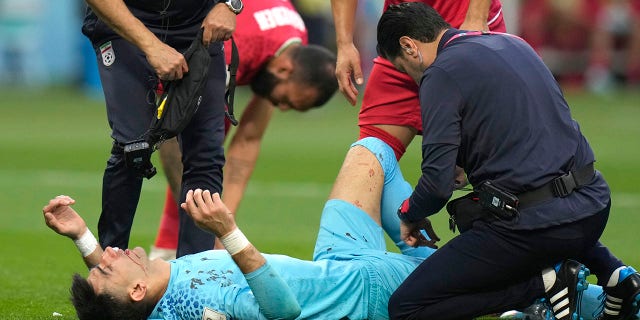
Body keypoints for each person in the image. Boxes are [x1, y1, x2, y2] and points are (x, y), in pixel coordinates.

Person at [42, 138, 638, 320]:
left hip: (339, 257)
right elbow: (282, 311)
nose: (108, 254)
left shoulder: (150, 293)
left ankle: (420, 233)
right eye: (107, 265)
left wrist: (79, 237)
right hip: (368, 291)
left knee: (371, 153)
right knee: (534, 263)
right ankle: (594, 295)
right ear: (138, 290)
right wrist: (228, 231)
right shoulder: (200, 309)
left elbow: (110, 282)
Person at [376, 3, 640, 320]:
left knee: (406, 307)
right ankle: (614, 273)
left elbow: (436, 185)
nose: (413, 79)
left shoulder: (440, 74)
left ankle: (543, 286)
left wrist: (409, 213)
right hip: (593, 206)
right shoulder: (515, 43)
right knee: (498, 203)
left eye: (404, 69)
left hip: (534, 229)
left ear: (409, 46)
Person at [149, 0, 338, 259]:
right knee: (196, 157)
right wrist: (197, 215)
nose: (280, 108)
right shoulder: (234, 47)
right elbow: (171, 133)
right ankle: (154, 256)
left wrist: (222, 228)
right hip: (173, 43)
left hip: (231, 58)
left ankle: (174, 251)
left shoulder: (294, 43)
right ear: (284, 69)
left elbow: (247, 141)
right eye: (285, 100)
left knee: (204, 168)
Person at [81, 0, 238, 258]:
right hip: (125, 22)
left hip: (195, 24)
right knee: (133, 148)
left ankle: (193, 278)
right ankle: (110, 269)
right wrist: (151, 45)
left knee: (206, 156)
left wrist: (230, 5)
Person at [331, 0, 505, 160]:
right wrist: (344, 43)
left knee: (490, 168)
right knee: (367, 160)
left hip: (464, 29)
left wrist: (476, 17)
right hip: (401, 45)